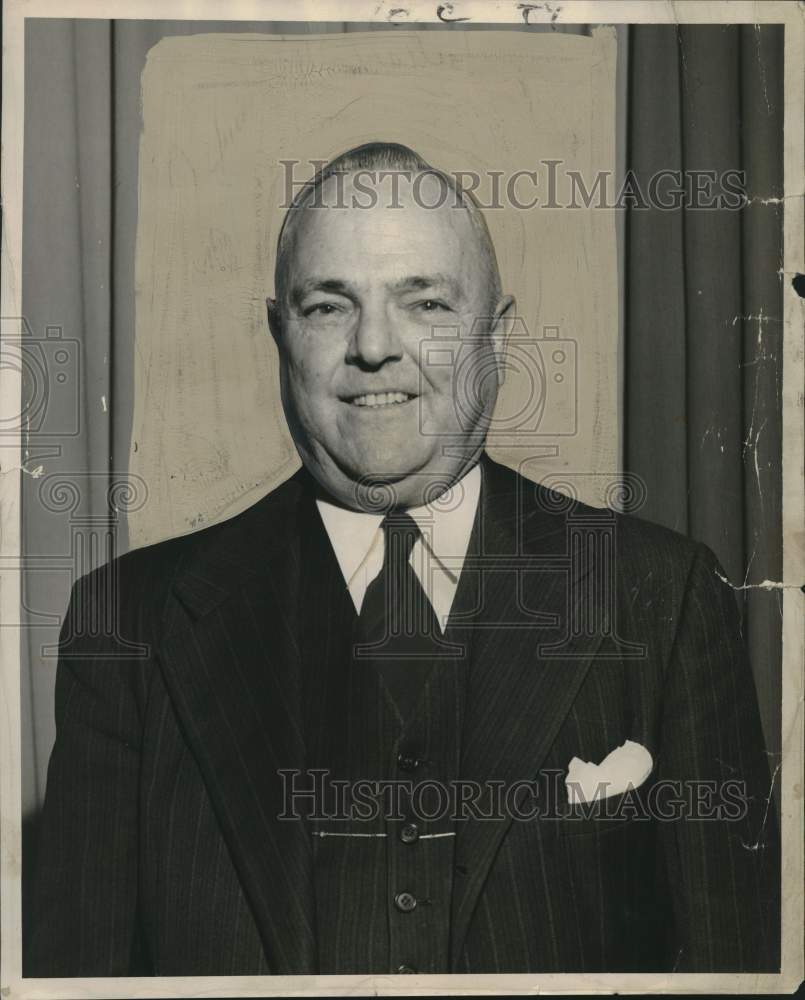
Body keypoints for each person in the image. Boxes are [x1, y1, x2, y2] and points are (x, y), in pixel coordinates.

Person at [26, 142, 779, 976]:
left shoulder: (661, 597)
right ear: (280, 335)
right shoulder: (130, 626)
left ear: (497, 334)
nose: (374, 348)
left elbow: (734, 962)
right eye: (328, 307)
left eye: (423, 304)